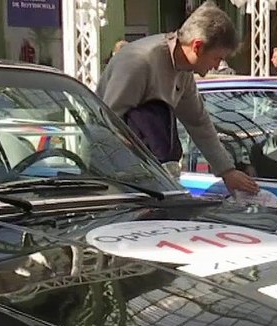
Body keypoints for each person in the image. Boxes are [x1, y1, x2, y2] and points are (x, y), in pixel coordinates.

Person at [97, 2, 258, 195]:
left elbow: (198, 122)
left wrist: (227, 171)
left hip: (151, 177)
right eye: (216, 58)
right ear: (197, 46)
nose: (217, 66)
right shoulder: (140, 62)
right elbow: (107, 123)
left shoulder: (184, 71)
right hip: (117, 181)